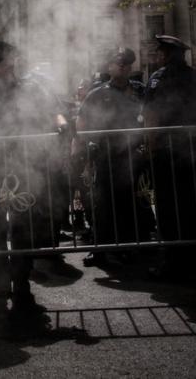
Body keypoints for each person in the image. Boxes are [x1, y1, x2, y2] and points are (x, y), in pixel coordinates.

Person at [0, 40, 67, 321]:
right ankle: (0, 284)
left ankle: (21, 283)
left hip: (25, 167)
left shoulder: (32, 87)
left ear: (11, 61)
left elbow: (54, 111)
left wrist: (62, 125)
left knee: (23, 229)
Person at [142, 35, 196, 281]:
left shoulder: (158, 78)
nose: (157, 56)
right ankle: (195, 262)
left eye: (159, 52)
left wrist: (150, 147)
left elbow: (151, 116)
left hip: (167, 152)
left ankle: (171, 263)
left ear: (165, 54)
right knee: (194, 205)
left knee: (168, 207)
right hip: (194, 149)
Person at [74, 48, 148, 267]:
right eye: (119, 63)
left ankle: (128, 247)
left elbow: (150, 116)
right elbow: (82, 122)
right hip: (104, 156)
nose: (123, 67)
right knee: (101, 205)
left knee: (130, 204)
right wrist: (83, 150)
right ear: (110, 67)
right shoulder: (98, 93)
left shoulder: (139, 91)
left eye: (127, 64)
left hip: (132, 155)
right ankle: (100, 250)